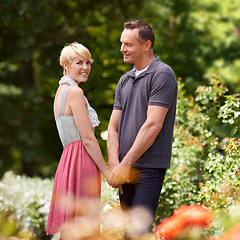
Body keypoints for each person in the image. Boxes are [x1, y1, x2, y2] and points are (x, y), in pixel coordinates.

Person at [107, 21, 178, 236]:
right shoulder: (124, 80)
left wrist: (125, 164)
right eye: (122, 43)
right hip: (124, 169)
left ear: (146, 45)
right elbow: (112, 127)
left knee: (139, 232)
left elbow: (153, 124)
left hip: (148, 167)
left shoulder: (162, 75)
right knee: (127, 233)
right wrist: (115, 166)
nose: (122, 49)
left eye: (128, 44)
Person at [46, 42, 111, 238]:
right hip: (81, 160)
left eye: (88, 62)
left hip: (67, 162)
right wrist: (107, 172)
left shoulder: (60, 93)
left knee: (71, 226)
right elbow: (88, 139)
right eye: (79, 63)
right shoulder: (75, 92)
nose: (85, 67)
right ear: (65, 65)